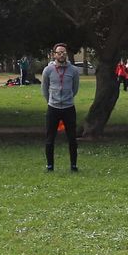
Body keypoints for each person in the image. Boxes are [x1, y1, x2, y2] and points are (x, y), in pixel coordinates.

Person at [41, 43, 80, 173]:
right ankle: (50, 165)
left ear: (66, 54)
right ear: (54, 54)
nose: (61, 55)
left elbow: (75, 89)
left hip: (69, 107)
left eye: (63, 52)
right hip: (53, 107)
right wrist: (51, 101)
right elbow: (45, 89)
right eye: (59, 52)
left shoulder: (73, 70)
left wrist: (67, 98)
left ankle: (73, 165)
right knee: (50, 138)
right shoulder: (48, 70)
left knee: (72, 138)